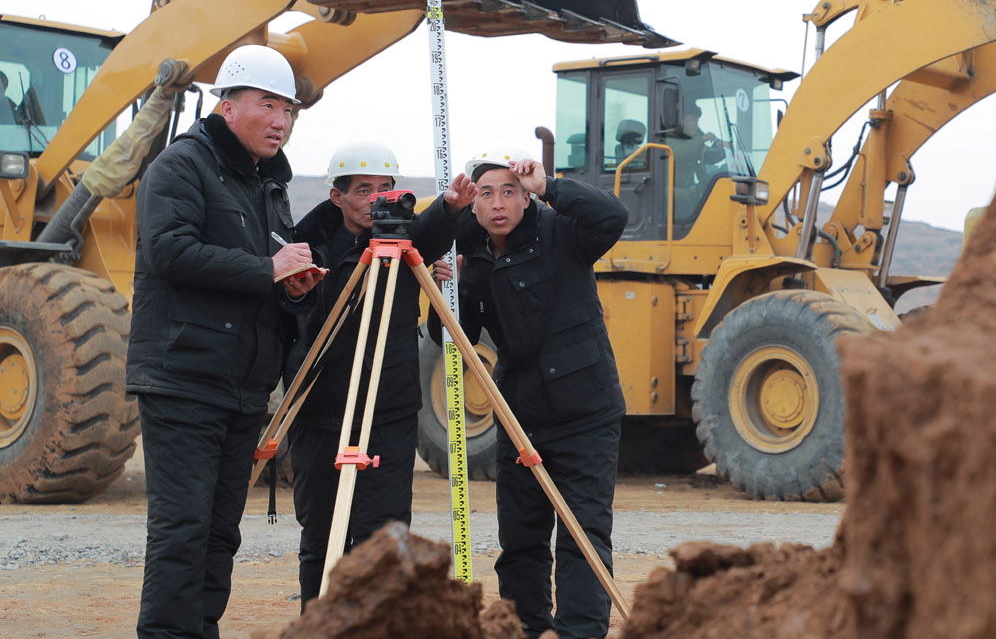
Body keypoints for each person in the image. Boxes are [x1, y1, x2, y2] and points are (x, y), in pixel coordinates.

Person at [126, 44, 324, 639]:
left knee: (218, 531)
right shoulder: (179, 167)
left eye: (288, 110)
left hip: (241, 387)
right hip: (183, 378)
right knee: (183, 528)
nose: (281, 122)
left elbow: (266, 273)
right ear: (229, 104)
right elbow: (169, 251)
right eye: (268, 105)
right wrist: (268, 268)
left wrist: (294, 290)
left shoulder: (267, 186)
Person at [286, 142, 472, 608]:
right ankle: (319, 624)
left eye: (385, 189)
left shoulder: (406, 246)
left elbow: (429, 230)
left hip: (387, 412)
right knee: (323, 535)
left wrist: (449, 209)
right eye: (363, 190)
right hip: (322, 411)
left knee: (386, 539)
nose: (377, 199)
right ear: (337, 196)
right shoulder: (305, 246)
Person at [455, 148, 629, 639]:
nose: (498, 203)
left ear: (524, 199)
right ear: (473, 204)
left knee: (583, 537)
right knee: (521, 542)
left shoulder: (561, 231)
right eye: (486, 194)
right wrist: (450, 288)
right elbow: (454, 336)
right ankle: (526, 630)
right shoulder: (468, 256)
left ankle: (579, 633)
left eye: (509, 191)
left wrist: (548, 184)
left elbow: (613, 216)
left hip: (585, 413)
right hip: (520, 418)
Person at [667, 103, 725, 216]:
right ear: (681, 121)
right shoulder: (669, 136)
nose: (696, 125)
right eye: (692, 121)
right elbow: (677, 153)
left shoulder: (694, 139)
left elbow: (705, 156)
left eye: (697, 121)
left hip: (687, 185)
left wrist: (721, 149)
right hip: (666, 186)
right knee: (692, 199)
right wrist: (702, 139)